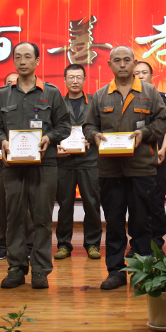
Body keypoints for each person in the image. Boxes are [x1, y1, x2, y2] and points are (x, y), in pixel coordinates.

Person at [83, 46, 166, 290]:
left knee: (142, 223)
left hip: (141, 169)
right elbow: (88, 126)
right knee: (113, 224)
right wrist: (95, 136)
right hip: (109, 170)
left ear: (134, 63)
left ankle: (142, 272)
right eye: (117, 61)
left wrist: (145, 133)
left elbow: (164, 121)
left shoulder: (149, 92)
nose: (122, 65)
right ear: (109, 65)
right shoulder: (100, 95)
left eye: (126, 60)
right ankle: (115, 272)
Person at [0, 42, 71, 289]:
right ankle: (16, 267)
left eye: (27, 57)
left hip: (44, 165)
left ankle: (40, 270)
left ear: (37, 61)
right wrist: (2, 141)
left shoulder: (51, 93)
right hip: (12, 167)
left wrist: (49, 138)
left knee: (42, 218)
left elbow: (64, 126)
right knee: (13, 217)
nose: (22, 61)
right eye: (17, 57)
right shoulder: (3, 94)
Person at [129, 60, 166, 255]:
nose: (141, 76)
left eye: (144, 72)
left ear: (152, 76)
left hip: (156, 156)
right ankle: (137, 244)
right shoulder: (127, 99)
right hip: (133, 158)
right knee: (135, 202)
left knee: (156, 200)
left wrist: (164, 148)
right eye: (137, 73)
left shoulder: (163, 98)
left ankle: (156, 243)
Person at [0, 72, 33, 261]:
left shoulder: (33, 104)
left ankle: (29, 245)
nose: (14, 85)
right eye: (9, 83)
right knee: (3, 206)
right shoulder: (0, 103)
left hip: (29, 162)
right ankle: (3, 246)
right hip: (2, 162)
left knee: (29, 207)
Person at [54, 64, 103, 261]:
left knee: (92, 203)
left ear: (84, 80)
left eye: (78, 77)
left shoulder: (94, 102)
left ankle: (92, 244)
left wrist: (92, 136)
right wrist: (56, 144)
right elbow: (52, 128)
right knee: (64, 205)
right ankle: (63, 245)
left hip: (89, 161)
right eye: (71, 77)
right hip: (64, 162)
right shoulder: (57, 103)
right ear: (64, 80)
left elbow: (102, 126)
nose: (75, 81)